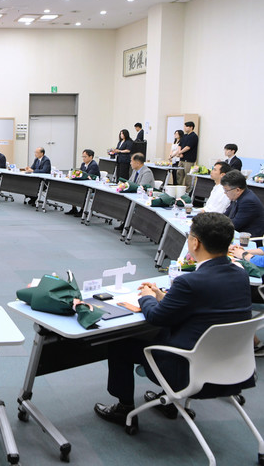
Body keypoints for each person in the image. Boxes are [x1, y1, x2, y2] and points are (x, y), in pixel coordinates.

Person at [94, 212, 252, 426]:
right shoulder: (241, 275)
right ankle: (168, 402)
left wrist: (147, 297)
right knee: (173, 333)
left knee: (120, 345)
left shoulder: (190, 282)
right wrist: (163, 297)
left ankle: (124, 409)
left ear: (195, 243)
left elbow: (156, 317)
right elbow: (206, 307)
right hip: (231, 365)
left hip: (188, 370)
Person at [221, 170, 264, 239]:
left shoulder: (248, 201)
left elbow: (234, 225)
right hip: (238, 235)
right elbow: (225, 215)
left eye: (226, 190)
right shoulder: (238, 196)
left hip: (248, 240)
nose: (225, 193)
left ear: (237, 190)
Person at [65, 149, 99, 216]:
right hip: (83, 184)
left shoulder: (94, 165)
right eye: (82, 156)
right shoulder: (83, 164)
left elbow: (88, 176)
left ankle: (82, 210)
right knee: (72, 189)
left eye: (85, 157)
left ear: (91, 157)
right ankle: (74, 208)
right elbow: (80, 174)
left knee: (81, 191)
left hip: (91, 186)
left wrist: (79, 176)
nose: (83, 158)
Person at [176, 121, 199, 190]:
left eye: (187, 126)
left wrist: (180, 152)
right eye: (185, 126)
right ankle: (178, 188)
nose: (185, 128)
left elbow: (188, 147)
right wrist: (179, 152)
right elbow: (180, 145)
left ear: (191, 127)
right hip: (182, 159)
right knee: (179, 174)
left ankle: (187, 190)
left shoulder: (194, 136)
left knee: (188, 176)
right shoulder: (184, 136)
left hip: (189, 160)